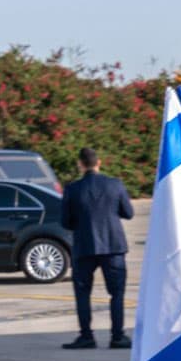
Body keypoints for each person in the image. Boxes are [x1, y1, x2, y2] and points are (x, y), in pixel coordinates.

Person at [60, 148, 133, 350]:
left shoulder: (73, 189)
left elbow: (65, 222)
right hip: (113, 246)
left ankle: (86, 336)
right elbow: (128, 213)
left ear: (80, 164)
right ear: (98, 162)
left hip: (85, 246)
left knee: (83, 293)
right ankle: (117, 336)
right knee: (117, 293)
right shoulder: (115, 185)